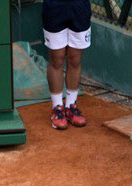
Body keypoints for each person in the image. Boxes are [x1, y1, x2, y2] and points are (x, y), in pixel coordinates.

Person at [43, 0, 91, 129]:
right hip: (54, 7)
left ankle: (71, 106)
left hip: (79, 6)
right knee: (56, 58)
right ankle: (57, 108)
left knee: (75, 59)